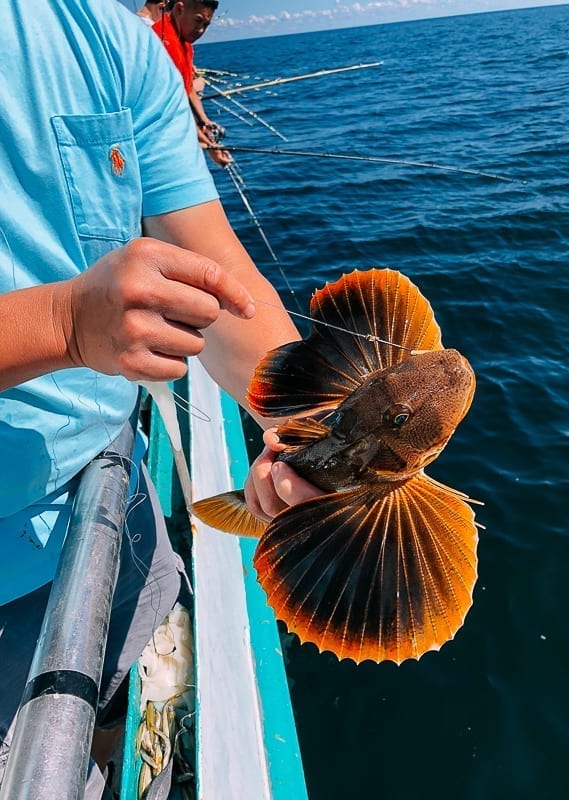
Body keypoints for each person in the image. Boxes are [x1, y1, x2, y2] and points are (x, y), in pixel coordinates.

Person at [0, 0, 317, 795]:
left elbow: (218, 276)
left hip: (114, 481)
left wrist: (309, 427)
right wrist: (63, 323)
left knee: (127, 685)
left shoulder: (110, 38)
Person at [152, 0, 232, 168]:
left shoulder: (185, 43)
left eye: (206, 25)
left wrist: (205, 122)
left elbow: (187, 88)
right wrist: (210, 145)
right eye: (198, 21)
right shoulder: (163, 42)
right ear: (179, 9)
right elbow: (174, 107)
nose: (201, 30)